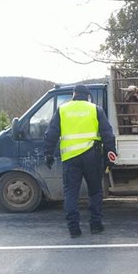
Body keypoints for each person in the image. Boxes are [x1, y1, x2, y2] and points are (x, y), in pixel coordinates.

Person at [43, 84, 116, 238]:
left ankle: (74, 229)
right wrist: (111, 154)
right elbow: (107, 134)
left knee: (71, 193)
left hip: (70, 158)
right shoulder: (95, 109)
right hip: (92, 156)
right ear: (87, 96)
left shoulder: (62, 110)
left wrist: (48, 154)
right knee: (95, 191)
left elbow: (51, 134)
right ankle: (96, 225)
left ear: (73, 95)